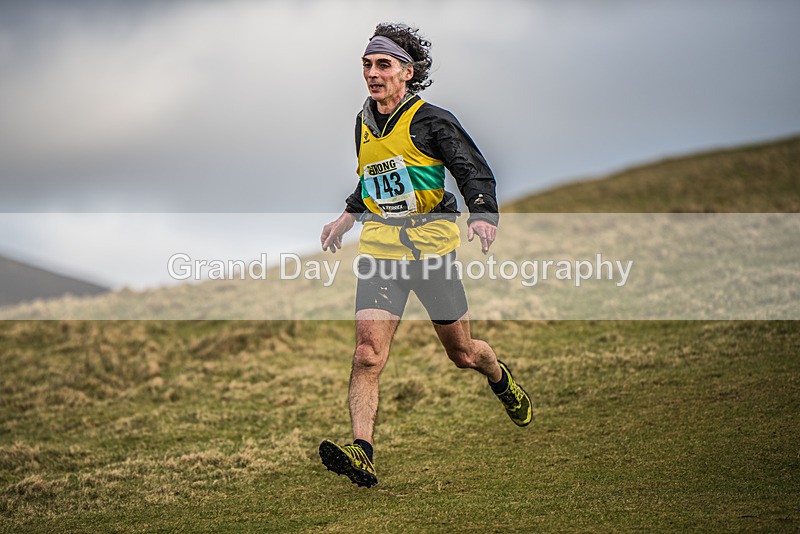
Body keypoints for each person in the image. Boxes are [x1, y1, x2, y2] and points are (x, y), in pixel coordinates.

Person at [318, 23, 532, 488]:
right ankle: (363, 452)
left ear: (407, 73)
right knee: (366, 355)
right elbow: (374, 178)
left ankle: (499, 377)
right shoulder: (363, 123)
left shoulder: (433, 120)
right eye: (367, 65)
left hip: (431, 250)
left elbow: (471, 168)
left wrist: (482, 214)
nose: (372, 74)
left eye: (383, 65)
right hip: (380, 252)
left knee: (463, 354)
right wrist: (347, 216)